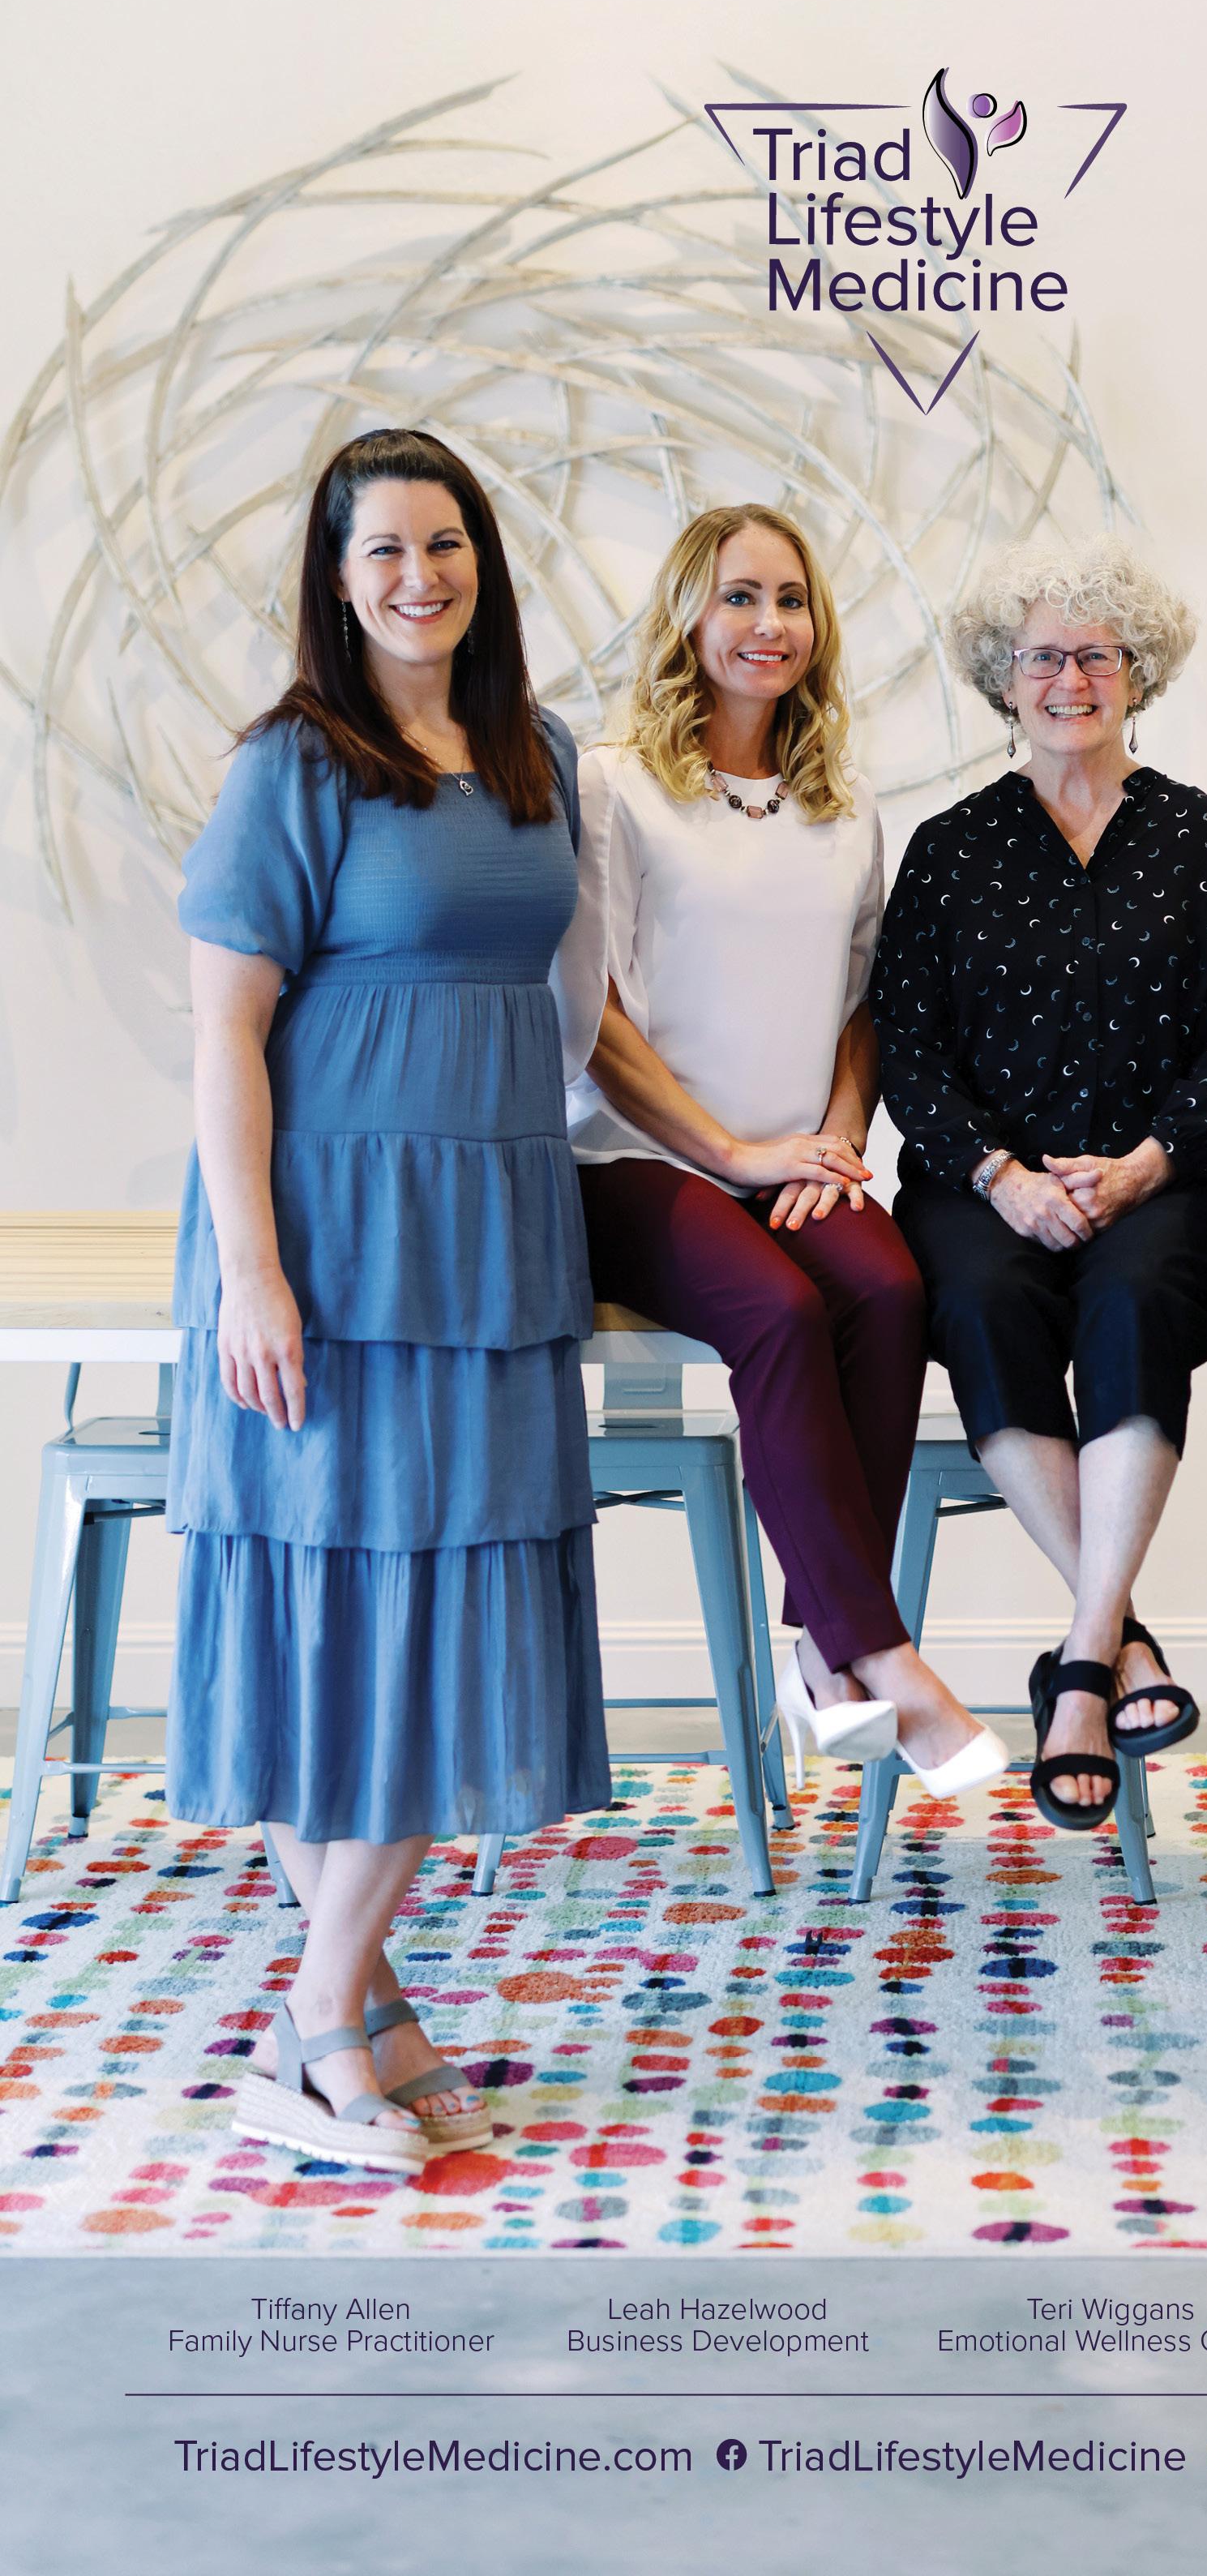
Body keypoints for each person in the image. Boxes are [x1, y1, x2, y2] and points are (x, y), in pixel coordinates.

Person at [169, 427, 610, 2170]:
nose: (420, 577)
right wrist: (254, 1273)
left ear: (481, 562)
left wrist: (733, 1148)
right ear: (337, 583)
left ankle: (352, 2008)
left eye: (445, 544)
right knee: (346, 1621)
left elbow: (579, 1010)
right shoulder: (292, 764)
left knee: (450, 1613)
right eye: (384, 553)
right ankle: (318, 2024)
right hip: (329, 1246)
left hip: (490, 1233)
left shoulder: (537, 753)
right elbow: (224, 1032)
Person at [550, 504, 1006, 1798]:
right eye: (739, 597)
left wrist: (841, 1137)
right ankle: (881, 1653)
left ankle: (820, 1649)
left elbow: (868, 1004)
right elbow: (595, 1018)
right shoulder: (613, 785)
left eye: (791, 600)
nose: (769, 625)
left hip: (796, 1157)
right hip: (634, 1162)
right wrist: (731, 1152)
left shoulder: (842, 805)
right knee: (779, 1311)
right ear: (687, 617)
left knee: (890, 1290)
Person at [873, 537, 1207, 1833]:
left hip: (1173, 1178)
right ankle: (1118, 1647)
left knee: (1139, 1297)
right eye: (1043, 656)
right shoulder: (948, 850)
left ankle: (1081, 1661)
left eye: (1098, 656)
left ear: (1138, 674)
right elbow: (907, 1050)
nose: (1071, 680)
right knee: (984, 1301)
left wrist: (1145, 1166)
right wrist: (1001, 1178)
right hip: (983, 1186)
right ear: (1004, 679)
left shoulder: (1206, 838)